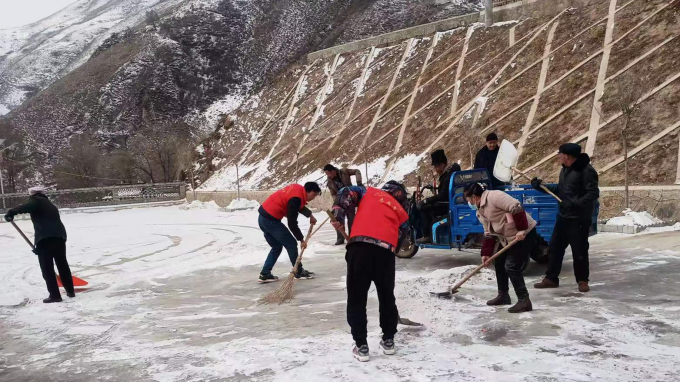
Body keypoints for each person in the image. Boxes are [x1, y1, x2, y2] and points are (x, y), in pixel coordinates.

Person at [332, 181, 409, 362]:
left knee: (357, 298)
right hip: (385, 253)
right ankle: (388, 340)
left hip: (359, 249)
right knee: (386, 296)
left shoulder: (368, 192)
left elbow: (345, 193)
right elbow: (400, 240)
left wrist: (338, 215)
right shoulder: (402, 212)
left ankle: (362, 346)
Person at [531, 143, 599, 292]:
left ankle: (582, 281)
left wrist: (575, 204)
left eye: (560, 154)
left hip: (579, 219)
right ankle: (551, 279)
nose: (559, 157)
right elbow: (561, 190)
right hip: (563, 217)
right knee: (554, 248)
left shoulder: (586, 171)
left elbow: (593, 193)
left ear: (567, 156)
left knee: (579, 251)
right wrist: (542, 186)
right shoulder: (565, 170)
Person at [464, 182, 537, 313]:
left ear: (474, 197)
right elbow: (488, 233)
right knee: (499, 262)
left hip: (525, 233)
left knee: (511, 266)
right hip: (508, 237)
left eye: (468, 200)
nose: (468, 202)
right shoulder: (480, 211)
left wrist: (521, 229)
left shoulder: (494, 196)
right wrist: (486, 253)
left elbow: (516, 206)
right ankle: (503, 295)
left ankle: (524, 301)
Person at [4, 186, 74, 303]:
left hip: (45, 238)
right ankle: (70, 291)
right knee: (62, 264)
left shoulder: (36, 201)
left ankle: (55, 295)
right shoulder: (49, 204)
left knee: (47, 268)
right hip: (59, 237)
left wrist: (11, 212)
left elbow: (26, 207)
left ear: (32, 194)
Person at [257, 182, 320, 283]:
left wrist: (310, 216)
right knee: (291, 243)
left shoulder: (297, 189)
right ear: (308, 191)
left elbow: (298, 206)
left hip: (262, 218)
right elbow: (292, 223)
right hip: (271, 221)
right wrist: (301, 239)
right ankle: (299, 271)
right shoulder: (296, 198)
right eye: (313, 195)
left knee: (276, 247)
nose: (313, 198)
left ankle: (265, 273)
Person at [416, 149, 461, 244]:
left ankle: (427, 235)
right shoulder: (452, 173)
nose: (437, 169)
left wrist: (426, 201)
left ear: (443, 164)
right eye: (435, 167)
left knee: (424, 208)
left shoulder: (448, 176)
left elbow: (443, 196)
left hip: (447, 204)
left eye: (437, 166)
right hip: (452, 202)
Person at [323, 164, 363, 245]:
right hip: (340, 202)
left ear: (333, 171)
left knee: (351, 218)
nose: (328, 176)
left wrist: (359, 182)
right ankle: (340, 238)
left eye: (328, 173)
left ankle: (352, 237)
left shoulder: (344, 171)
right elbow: (333, 193)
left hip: (350, 200)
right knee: (337, 219)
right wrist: (338, 200)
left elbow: (357, 171)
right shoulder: (329, 181)